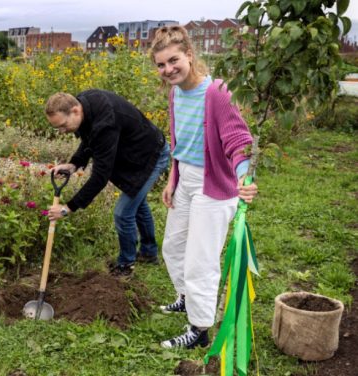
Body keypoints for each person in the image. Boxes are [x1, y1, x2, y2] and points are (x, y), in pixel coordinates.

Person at [150, 26, 259, 349]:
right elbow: (178, 141)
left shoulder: (217, 92)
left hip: (214, 184)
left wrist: (243, 175)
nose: (168, 69)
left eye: (173, 60)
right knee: (172, 246)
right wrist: (173, 180)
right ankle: (187, 298)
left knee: (201, 261)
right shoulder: (174, 94)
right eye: (161, 65)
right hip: (186, 181)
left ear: (189, 55)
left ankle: (199, 330)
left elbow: (239, 139)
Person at [45, 90, 170, 276]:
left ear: (75, 111)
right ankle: (149, 253)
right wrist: (74, 163)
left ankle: (126, 264)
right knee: (138, 202)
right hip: (132, 154)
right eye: (57, 128)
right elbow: (89, 138)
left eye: (63, 125)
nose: (62, 131)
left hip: (151, 155)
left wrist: (68, 208)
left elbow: (100, 176)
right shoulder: (84, 105)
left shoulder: (105, 123)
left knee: (123, 213)